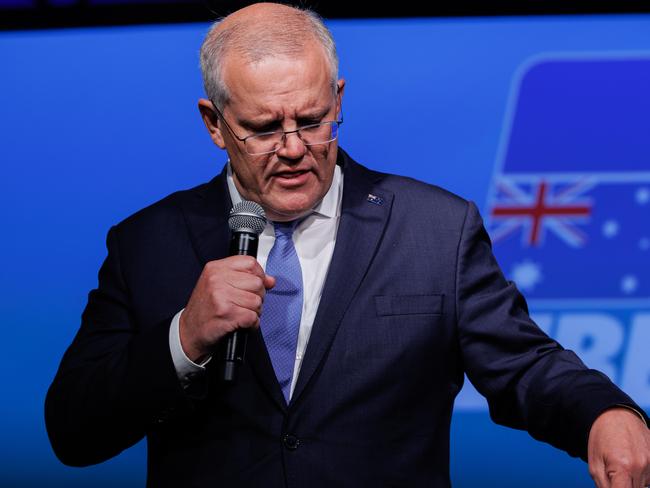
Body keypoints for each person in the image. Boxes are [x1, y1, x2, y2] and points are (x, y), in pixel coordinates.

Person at [45, 2, 650, 487]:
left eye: (312, 120)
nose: (292, 147)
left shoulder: (435, 229)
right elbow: (72, 431)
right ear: (213, 123)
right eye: (262, 128)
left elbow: (526, 366)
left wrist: (605, 414)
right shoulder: (147, 243)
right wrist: (184, 337)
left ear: (338, 100)